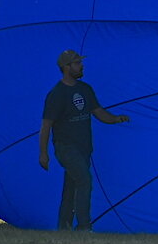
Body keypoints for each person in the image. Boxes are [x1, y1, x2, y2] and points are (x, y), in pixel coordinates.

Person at [38, 49, 128, 231]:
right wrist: (43, 153)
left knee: (71, 186)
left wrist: (116, 119)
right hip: (66, 147)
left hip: (84, 148)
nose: (81, 66)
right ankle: (84, 226)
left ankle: (64, 225)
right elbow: (46, 125)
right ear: (66, 67)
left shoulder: (85, 90)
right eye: (77, 63)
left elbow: (99, 112)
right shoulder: (57, 94)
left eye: (80, 62)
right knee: (84, 180)